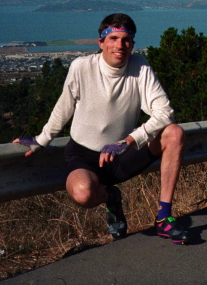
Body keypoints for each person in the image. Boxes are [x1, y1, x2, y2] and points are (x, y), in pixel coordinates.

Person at [13, 13, 189, 244]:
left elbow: (165, 112)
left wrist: (127, 141)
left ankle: (164, 218)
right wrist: (42, 139)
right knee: (83, 194)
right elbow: (64, 107)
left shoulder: (140, 67)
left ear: (132, 44)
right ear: (101, 42)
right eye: (113, 38)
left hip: (122, 154)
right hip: (84, 155)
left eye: (126, 40)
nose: (120, 45)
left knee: (174, 133)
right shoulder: (82, 67)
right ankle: (110, 196)